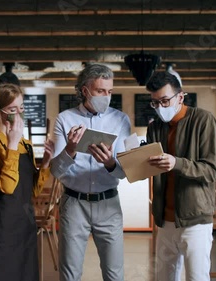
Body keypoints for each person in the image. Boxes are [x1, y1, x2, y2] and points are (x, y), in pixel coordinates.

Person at [50, 64, 131, 281]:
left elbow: (123, 173)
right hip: (74, 204)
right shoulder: (64, 119)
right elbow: (55, 170)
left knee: (114, 275)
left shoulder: (121, 120)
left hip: (109, 204)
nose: (106, 96)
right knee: (70, 274)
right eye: (100, 91)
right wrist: (70, 150)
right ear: (85, 90)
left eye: (110, 91)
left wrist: (110, 163)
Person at [0, 84, 54, 281]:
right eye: (12, 110)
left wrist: (46, 163)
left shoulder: (26, 144)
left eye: (22, 108)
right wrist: (11, 144)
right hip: (0, 225)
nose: (18, 115)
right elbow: (7, 187)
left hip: (25, 223)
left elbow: (32, 191)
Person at [145, 71, 216, 281]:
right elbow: (151, 169)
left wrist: (176, 163)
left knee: (197, 278)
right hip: (164, 220)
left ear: (180, 96)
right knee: (164, 278)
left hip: (195, 219)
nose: (160, 107)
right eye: (155, 103)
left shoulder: (204, 121)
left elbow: (211, 171)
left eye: (164, 100)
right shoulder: (155, 128)